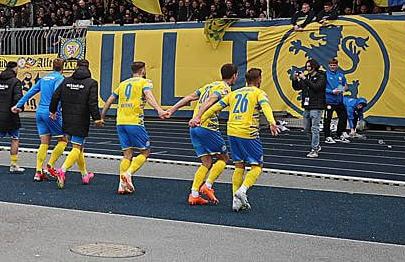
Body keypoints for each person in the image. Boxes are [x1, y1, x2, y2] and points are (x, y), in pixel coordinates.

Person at [192, 67, 279, 212]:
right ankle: (242, 190)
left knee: (239, 166)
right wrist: (272, 122)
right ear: (259, 80)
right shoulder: (259, 93)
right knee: (257, 166)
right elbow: (265, 106)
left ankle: (235, 201)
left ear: (246, 80)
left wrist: (199, 119)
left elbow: (214, 108)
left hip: (232, 131)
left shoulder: (234, 93)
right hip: (248, 131)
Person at [167, 62, 238, 204]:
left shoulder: (209, 86)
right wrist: (198, 117)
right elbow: (211, 100)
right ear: (234, 76)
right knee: (224, 158)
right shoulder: (224, 88)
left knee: (206, 162)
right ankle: (208, 186)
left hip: (194, 128)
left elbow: (189, 97)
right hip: (207, 126)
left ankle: (194, 194)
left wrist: (171, 110)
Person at [100, 61, 169, 194]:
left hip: (120, 122)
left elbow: (109, 100)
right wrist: (159, 110)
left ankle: (121, 185)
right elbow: (148, 96)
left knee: (127, 154)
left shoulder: (123, 83)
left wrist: (102, 116)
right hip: (134, 122)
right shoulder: (144, 82)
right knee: (145, 151)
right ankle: (128, 173)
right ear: (143, 70)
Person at [48, 59, 102, 188]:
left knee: (79, 148)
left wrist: (52, 110)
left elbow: (55, 96)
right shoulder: (91, 83)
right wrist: (97, 118)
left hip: (67, 117)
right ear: (88, 68)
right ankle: (63, 170)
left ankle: (84, 174)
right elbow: (92, 103)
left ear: (76, 67)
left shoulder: (66, 81)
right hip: (81, 118)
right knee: (77, 147)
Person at [12, 57, 68, 182]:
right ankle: (49, 166)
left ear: (52, 67)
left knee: (44, 142)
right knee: (63, 140)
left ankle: (38, 171)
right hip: (51, 112)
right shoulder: (60, 79)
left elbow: (30, 92)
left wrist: (18, 105)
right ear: (63, 68)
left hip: (40, 112)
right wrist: (55, 110)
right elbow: (57, 95)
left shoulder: (44, 78)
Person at [290, 59, 327, 158]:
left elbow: (316, 87)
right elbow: (297, 87)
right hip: (307, 105)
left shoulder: (321, 76)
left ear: (314, 67)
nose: (307, 68)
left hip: (317, 105)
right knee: (306, 128)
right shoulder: (306, 77)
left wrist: (304, 79)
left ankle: (314, 149)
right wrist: (295, 79)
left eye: (309, 66)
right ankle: (316, 145)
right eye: (307, 66)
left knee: (315, 128)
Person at [324, 57, 350, 144]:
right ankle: (327, 136)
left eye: (334, 65)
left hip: (339, 101)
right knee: (327, 119)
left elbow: (346, 86)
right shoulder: (325, 75)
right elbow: (322, 88)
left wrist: (344, 89)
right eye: (331, 65)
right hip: (329, 101)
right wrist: (332, 91)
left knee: (343, 117)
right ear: (328, 65)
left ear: (337, 66)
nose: (332, 67)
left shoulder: (341, 75)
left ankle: (339, 135)